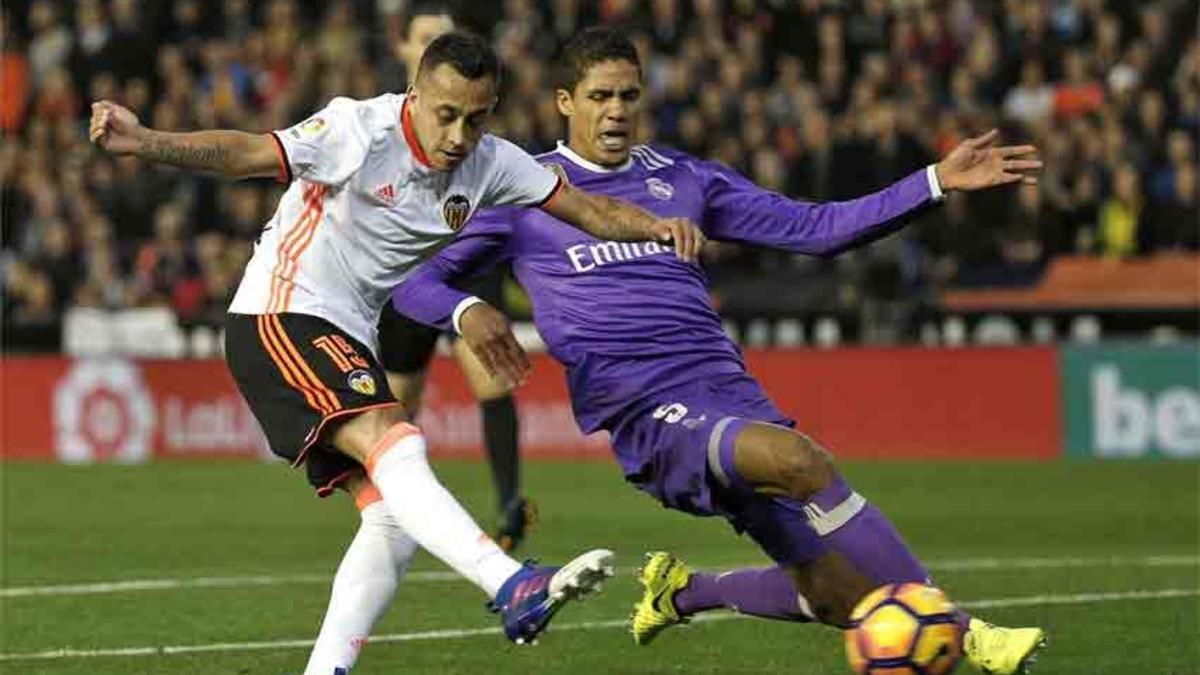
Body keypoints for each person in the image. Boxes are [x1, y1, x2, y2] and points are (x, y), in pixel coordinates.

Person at [394, 27, 1046, 674]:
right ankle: (969, 632)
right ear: (565, 101)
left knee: (830, 590)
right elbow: (412, 281)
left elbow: (815, 230)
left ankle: (682, 591)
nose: (616, 110)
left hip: (727, 390)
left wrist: (933, 181)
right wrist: (467, 308)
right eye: (599, 96)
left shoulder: (685, 178)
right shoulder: (524, 191)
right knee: (801, 460)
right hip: (646, 410)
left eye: (628, 95)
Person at [89, 31, 705, 674]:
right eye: (446, 114)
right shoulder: (357, 131)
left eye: (477, 117)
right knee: (397, 440)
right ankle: (509, 583)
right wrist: (143, 140)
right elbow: (246, 152)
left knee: (391, 519)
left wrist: (657, 227)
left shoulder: (492, 162)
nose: (460, 135)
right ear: (414, 97)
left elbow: (586, 208)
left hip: (343, 333)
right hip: (281, 313)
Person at [377, 1, 533, 551]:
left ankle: (511, 505)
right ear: (403, 49)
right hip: (403, 273)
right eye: (422, 36)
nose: (431, 43)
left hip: (464, 265)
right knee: (401, 400)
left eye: (440, 36)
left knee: (488, 375)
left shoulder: (473, 123)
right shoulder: (377, 123)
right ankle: (391, 511)